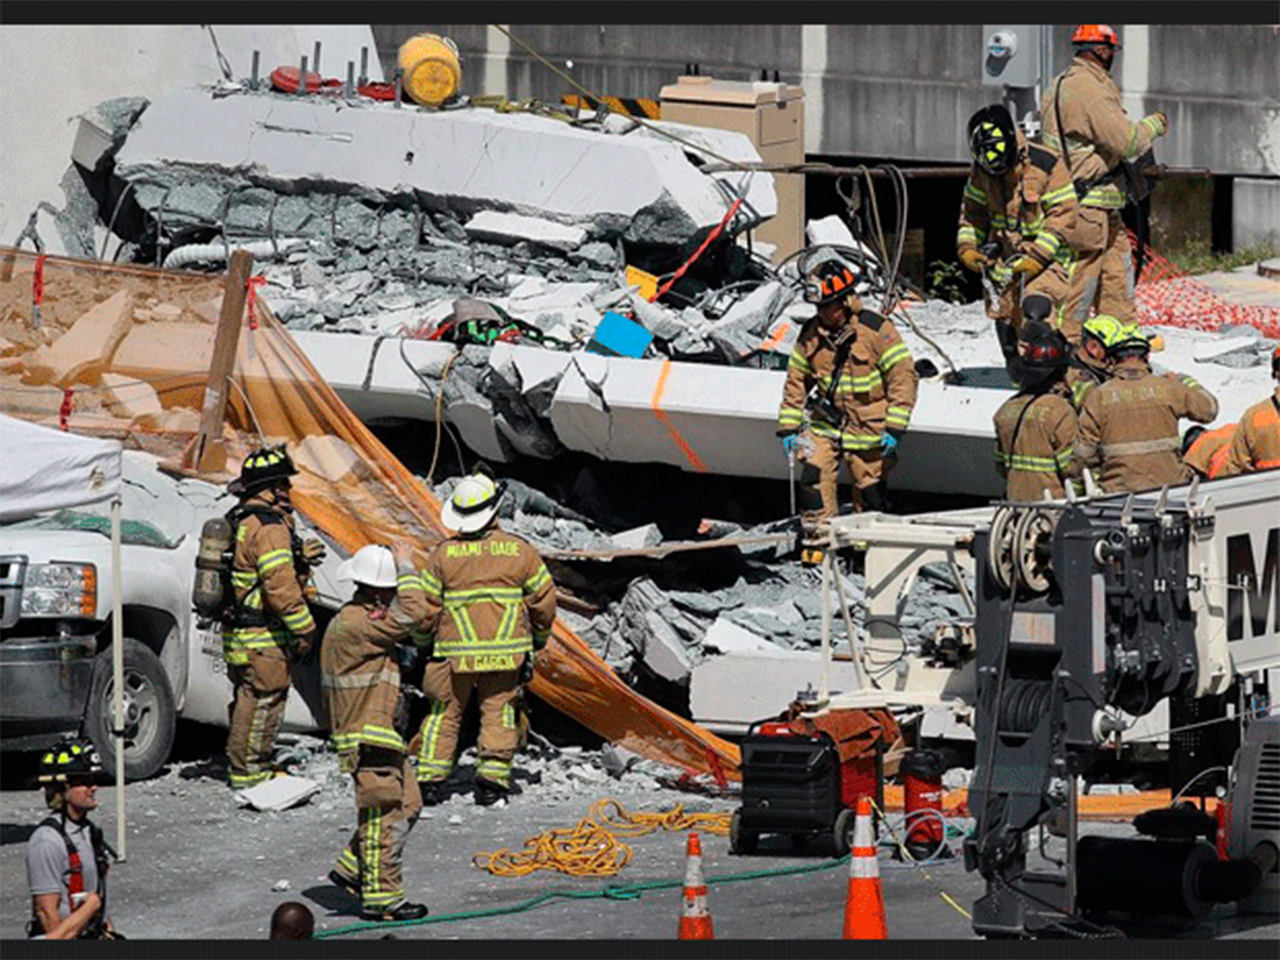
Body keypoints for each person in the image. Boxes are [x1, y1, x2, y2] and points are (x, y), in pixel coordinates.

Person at [414, 472, 557, 806]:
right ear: (494, 512)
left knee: (443, 712)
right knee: (500, 711)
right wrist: (538, 639)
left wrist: (422, 644)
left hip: (451, 655)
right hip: (506, 655)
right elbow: (544, 603)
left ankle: (431, 782)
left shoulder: (441, 555)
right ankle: (492, 783)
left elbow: (425, 611)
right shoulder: (521, 552)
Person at [776, 249, 918, 564]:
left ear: (845, 300)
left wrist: (895, 425)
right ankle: (818, 541)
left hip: (869, 426)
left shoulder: (875, 331)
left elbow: (903, 377)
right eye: (819, 307)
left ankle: (866, 553)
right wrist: (788, 424)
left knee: (869, 489)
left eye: (829, 306)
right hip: (827, 422)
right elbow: (796, 379)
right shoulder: (811, 335)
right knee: (812, 477)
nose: (824, 313)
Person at [322, 541, 430, 923]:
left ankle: (352, 869)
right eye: (393, 588)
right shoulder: (359, 623)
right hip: (369, 737)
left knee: (409, 804)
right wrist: (406, 565)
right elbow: (415, 612)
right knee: (383, 817)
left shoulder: (357, 619)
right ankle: (383, 899)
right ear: (379, 591)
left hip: (379, 736)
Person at [1040, 24, 1170, 329]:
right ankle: (1065, 352)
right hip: (1086, 209)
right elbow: (1128, 142)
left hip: (1095, 208)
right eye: (1111, 50)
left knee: (1118, 281)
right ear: (1101, 50)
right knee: (1079, 291)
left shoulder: (1060, 84)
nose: (1113, 56)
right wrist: (1155, 124)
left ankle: (1121, 347)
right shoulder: (1090, 90)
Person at [223, 445, 323, 790]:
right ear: (271, 487)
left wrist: (299, 557)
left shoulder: (241, 519)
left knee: (248, 699)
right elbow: (280, 588)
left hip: (240, 634)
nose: (288, 492)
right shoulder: (268, 528)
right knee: (263, 701)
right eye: (284, 484)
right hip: (261, 636)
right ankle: (251, 774)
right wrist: (306, 628)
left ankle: (245, 767)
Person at [957, 103, 1079, 354]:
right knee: (1005, 317)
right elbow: (973, 214)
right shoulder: (982, 170)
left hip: (1047, 261)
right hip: (1005, 262)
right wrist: (968, 249)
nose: (996, 172)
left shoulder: (1045, 164)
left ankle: (1048, 373)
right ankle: (1019, 371)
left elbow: (1063, 216)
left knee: (1036, 310)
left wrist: (1036, 258)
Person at [1070, 327, 1218, 493]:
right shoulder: (1169, 388)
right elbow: (1209, 409)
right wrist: (1183, 381)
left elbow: (1082, 455)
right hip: (1172, 487)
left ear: (1112, 359)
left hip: (1118, 492)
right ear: (1147, 357)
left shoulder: (1099, 396)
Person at [25, 738, 118, 940]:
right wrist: (91, 907)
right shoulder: (47, 841)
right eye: (84, 782)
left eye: (94, 781)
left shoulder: (90, 832)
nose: (93, 788)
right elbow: (47, 914)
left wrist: (109, 930)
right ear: (63, 789)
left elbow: (97, 895)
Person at [993, 323, 1078, 501]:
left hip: (1016, 504)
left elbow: (1001, 466)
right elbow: (1071, 466)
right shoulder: (1060, 411)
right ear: (1060, 371)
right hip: (1054, 505)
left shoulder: (1005, 410)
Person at [1219, 347, 1280, 477]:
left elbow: (1235, 468)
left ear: (1275, 373)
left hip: (1266, 493)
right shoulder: (1253, 416)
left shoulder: (1253, 416)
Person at [1063, 313, 1125, 409]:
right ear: (1093, 347)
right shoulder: (1082, 380)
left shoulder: (1076, 357)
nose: (1113, 359)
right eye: (1111, 353)